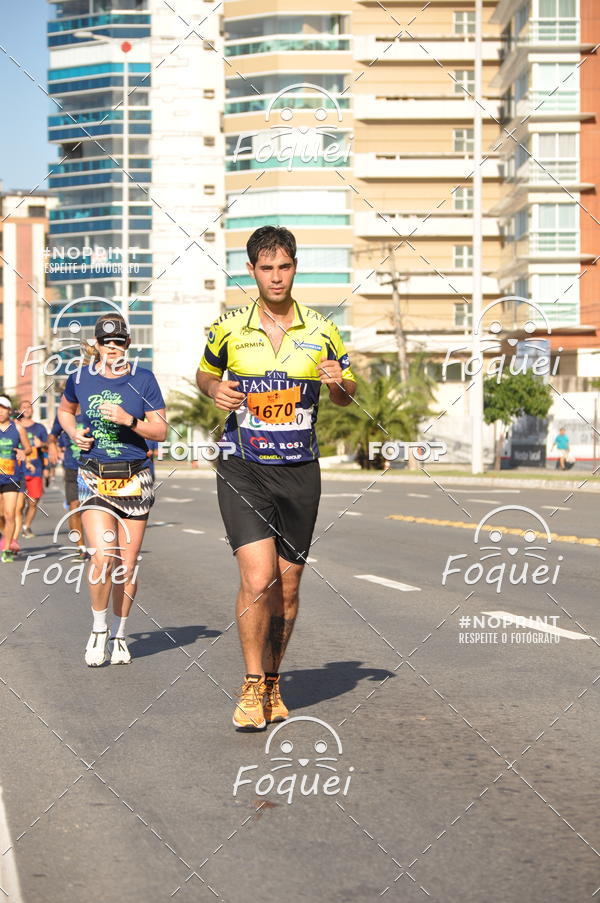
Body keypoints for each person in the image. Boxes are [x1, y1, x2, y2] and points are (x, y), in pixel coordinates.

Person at [196, 225, 356, 730]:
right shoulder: (228, 328)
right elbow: (204, 373)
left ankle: (270, 681)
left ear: (294, 267)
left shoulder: (322, 329)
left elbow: (347, 390)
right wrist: (214, 388)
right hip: (243, 466)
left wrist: (337, 386)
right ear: (251, 272)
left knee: (287, 589)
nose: (276, 276)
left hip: (299, 472)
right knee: (258, 579)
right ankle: (249, 686)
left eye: (284, 266)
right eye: (266, 268)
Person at [58, 313, 167, 667]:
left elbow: (161, 430)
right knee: (103, 558)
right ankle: (99, 628)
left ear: (127, 346)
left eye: (119, 343)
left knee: (126, 564)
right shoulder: (79, 378)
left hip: (136, 478)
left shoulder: (144, 380)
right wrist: (73, 432)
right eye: (106, 343)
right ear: (98, 346)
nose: (112, 349)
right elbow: (64, 411)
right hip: (94, 476)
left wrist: (129, 420)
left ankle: (120, 635)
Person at [49, 412, 88, 560]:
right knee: (75, 507)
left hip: (94, 467)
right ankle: (81, 548)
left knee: (94, 508)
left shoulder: (92, 406)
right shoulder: (63, 414)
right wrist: (52, 444)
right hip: (72, 467)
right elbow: (52, 435)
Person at [0, 396, 32, 563]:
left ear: (9, 410)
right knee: (0, 515)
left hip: (11, 477)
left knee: (9, 514)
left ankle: (6, 548)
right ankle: (5, 537)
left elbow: (28, 448)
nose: (0, 411)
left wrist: (23, 452)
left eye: (3, 408)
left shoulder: (17, 427)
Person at [16, 402, 49, 539]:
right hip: (18, 469)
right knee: (19, 503)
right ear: (19, 410)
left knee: (33, 502)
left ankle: (26, 526)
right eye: (24, 407)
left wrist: (42, 445)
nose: (27, 409)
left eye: (29, 407)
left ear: (33, 410)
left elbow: (48, 447)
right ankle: (16, 525)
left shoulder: (39, 428)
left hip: (36, 469)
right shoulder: (15, 427)